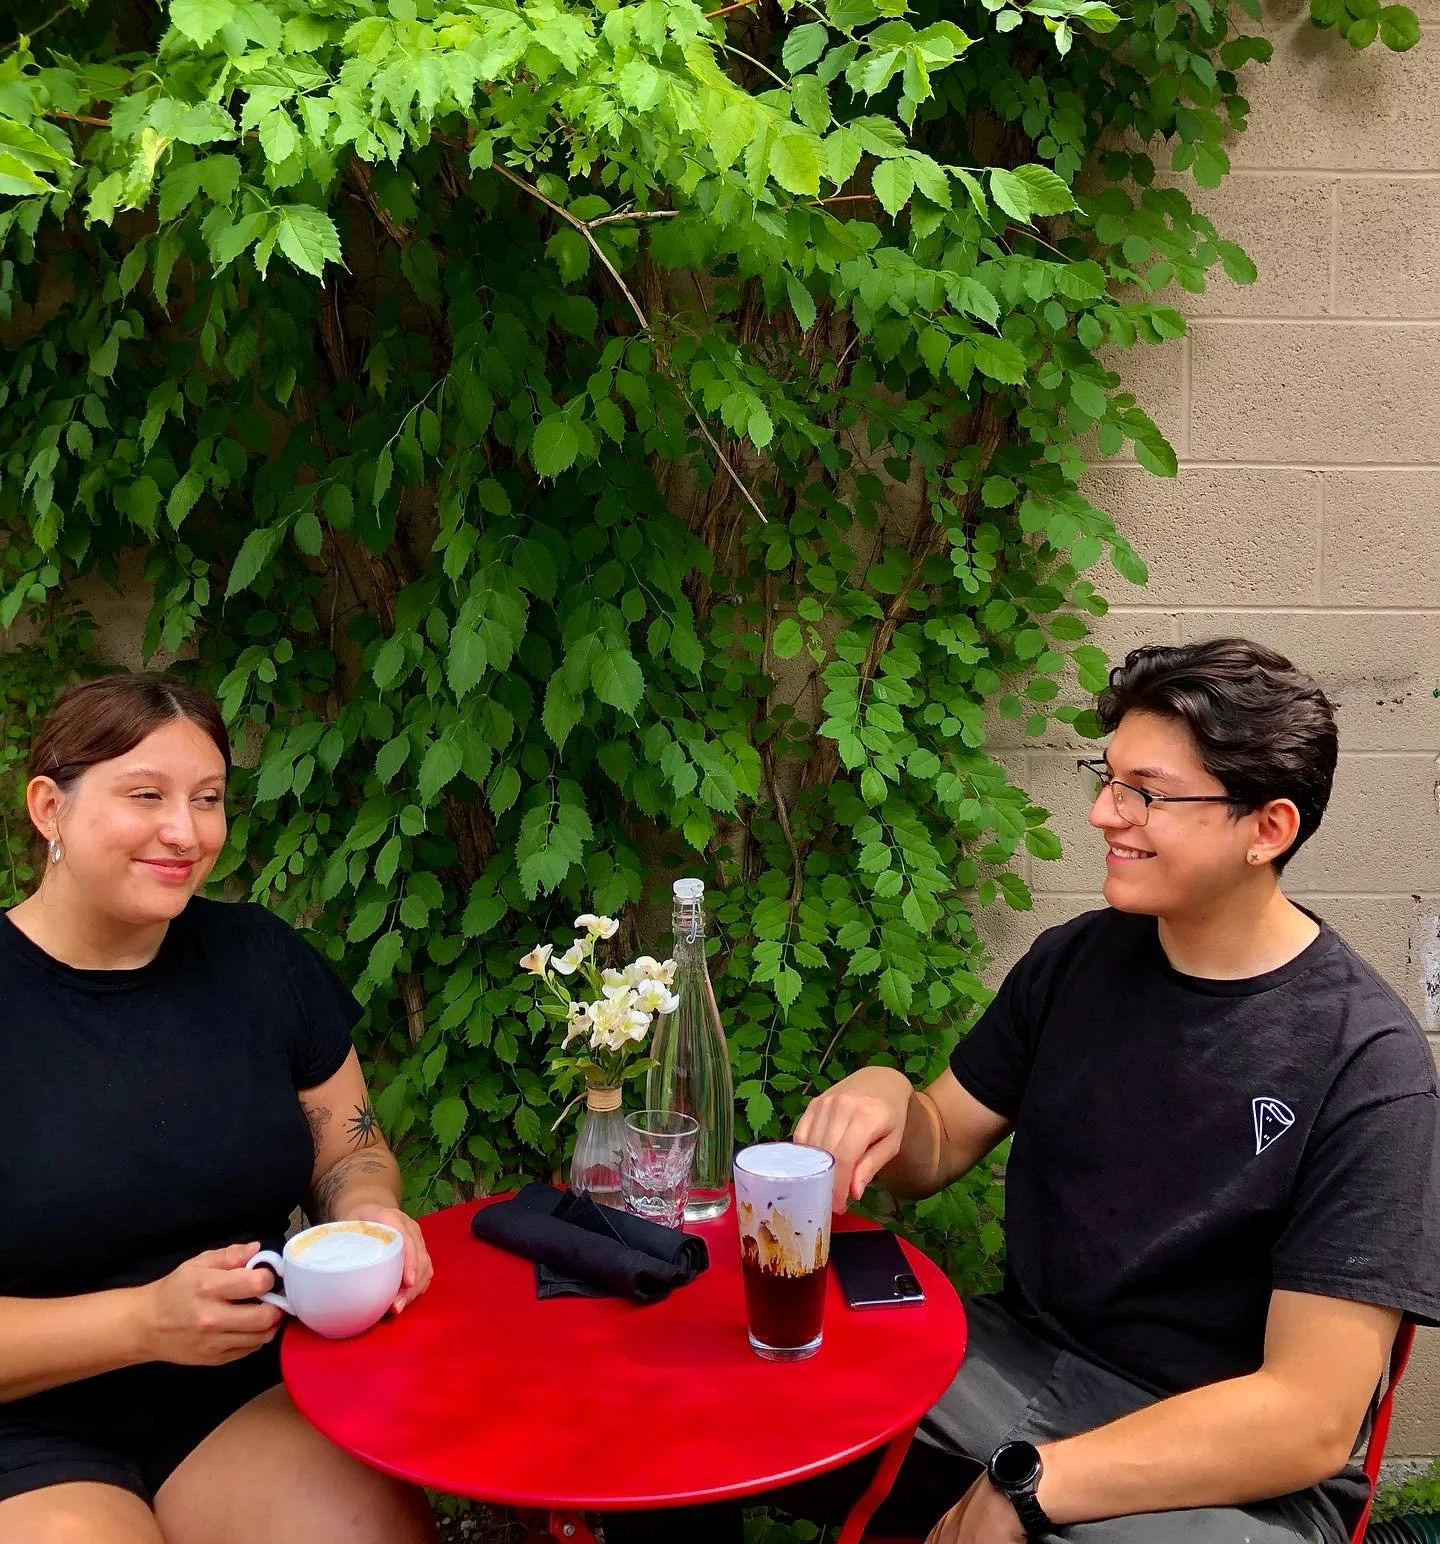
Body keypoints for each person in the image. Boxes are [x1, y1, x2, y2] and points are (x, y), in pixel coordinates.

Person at [608, 637, 1440, 1544]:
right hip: (1011, 1370)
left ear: (1267, 829)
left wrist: (1034, 1484)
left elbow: (1306, 1419)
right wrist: (891, 1096)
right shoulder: (1076, 962)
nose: (1100, 814)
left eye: (1145, 793)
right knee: (691, 1382)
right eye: (1107, 776)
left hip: (1230, 1478)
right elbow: (935, 1144)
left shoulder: (1368, 1065)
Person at [0, 673, 437, 1544]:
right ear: (49, 807)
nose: (186, 833)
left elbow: (348, 1151)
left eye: (208, 799)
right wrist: (142, 1322)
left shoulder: (259, 959)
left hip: (236, 1388)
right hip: (28, 1419)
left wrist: (371, 1217)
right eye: (145, 795)